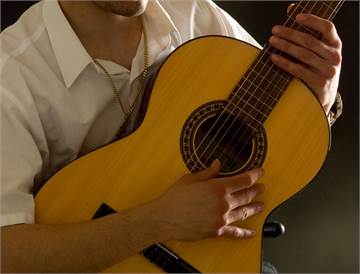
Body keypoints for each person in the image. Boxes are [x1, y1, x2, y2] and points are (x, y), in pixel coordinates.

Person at [0, 0, 342, 272]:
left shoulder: (195, 14)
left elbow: (279, 120)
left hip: (209, 260)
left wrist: (319, 97)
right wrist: (157, 221)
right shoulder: (11, 75)